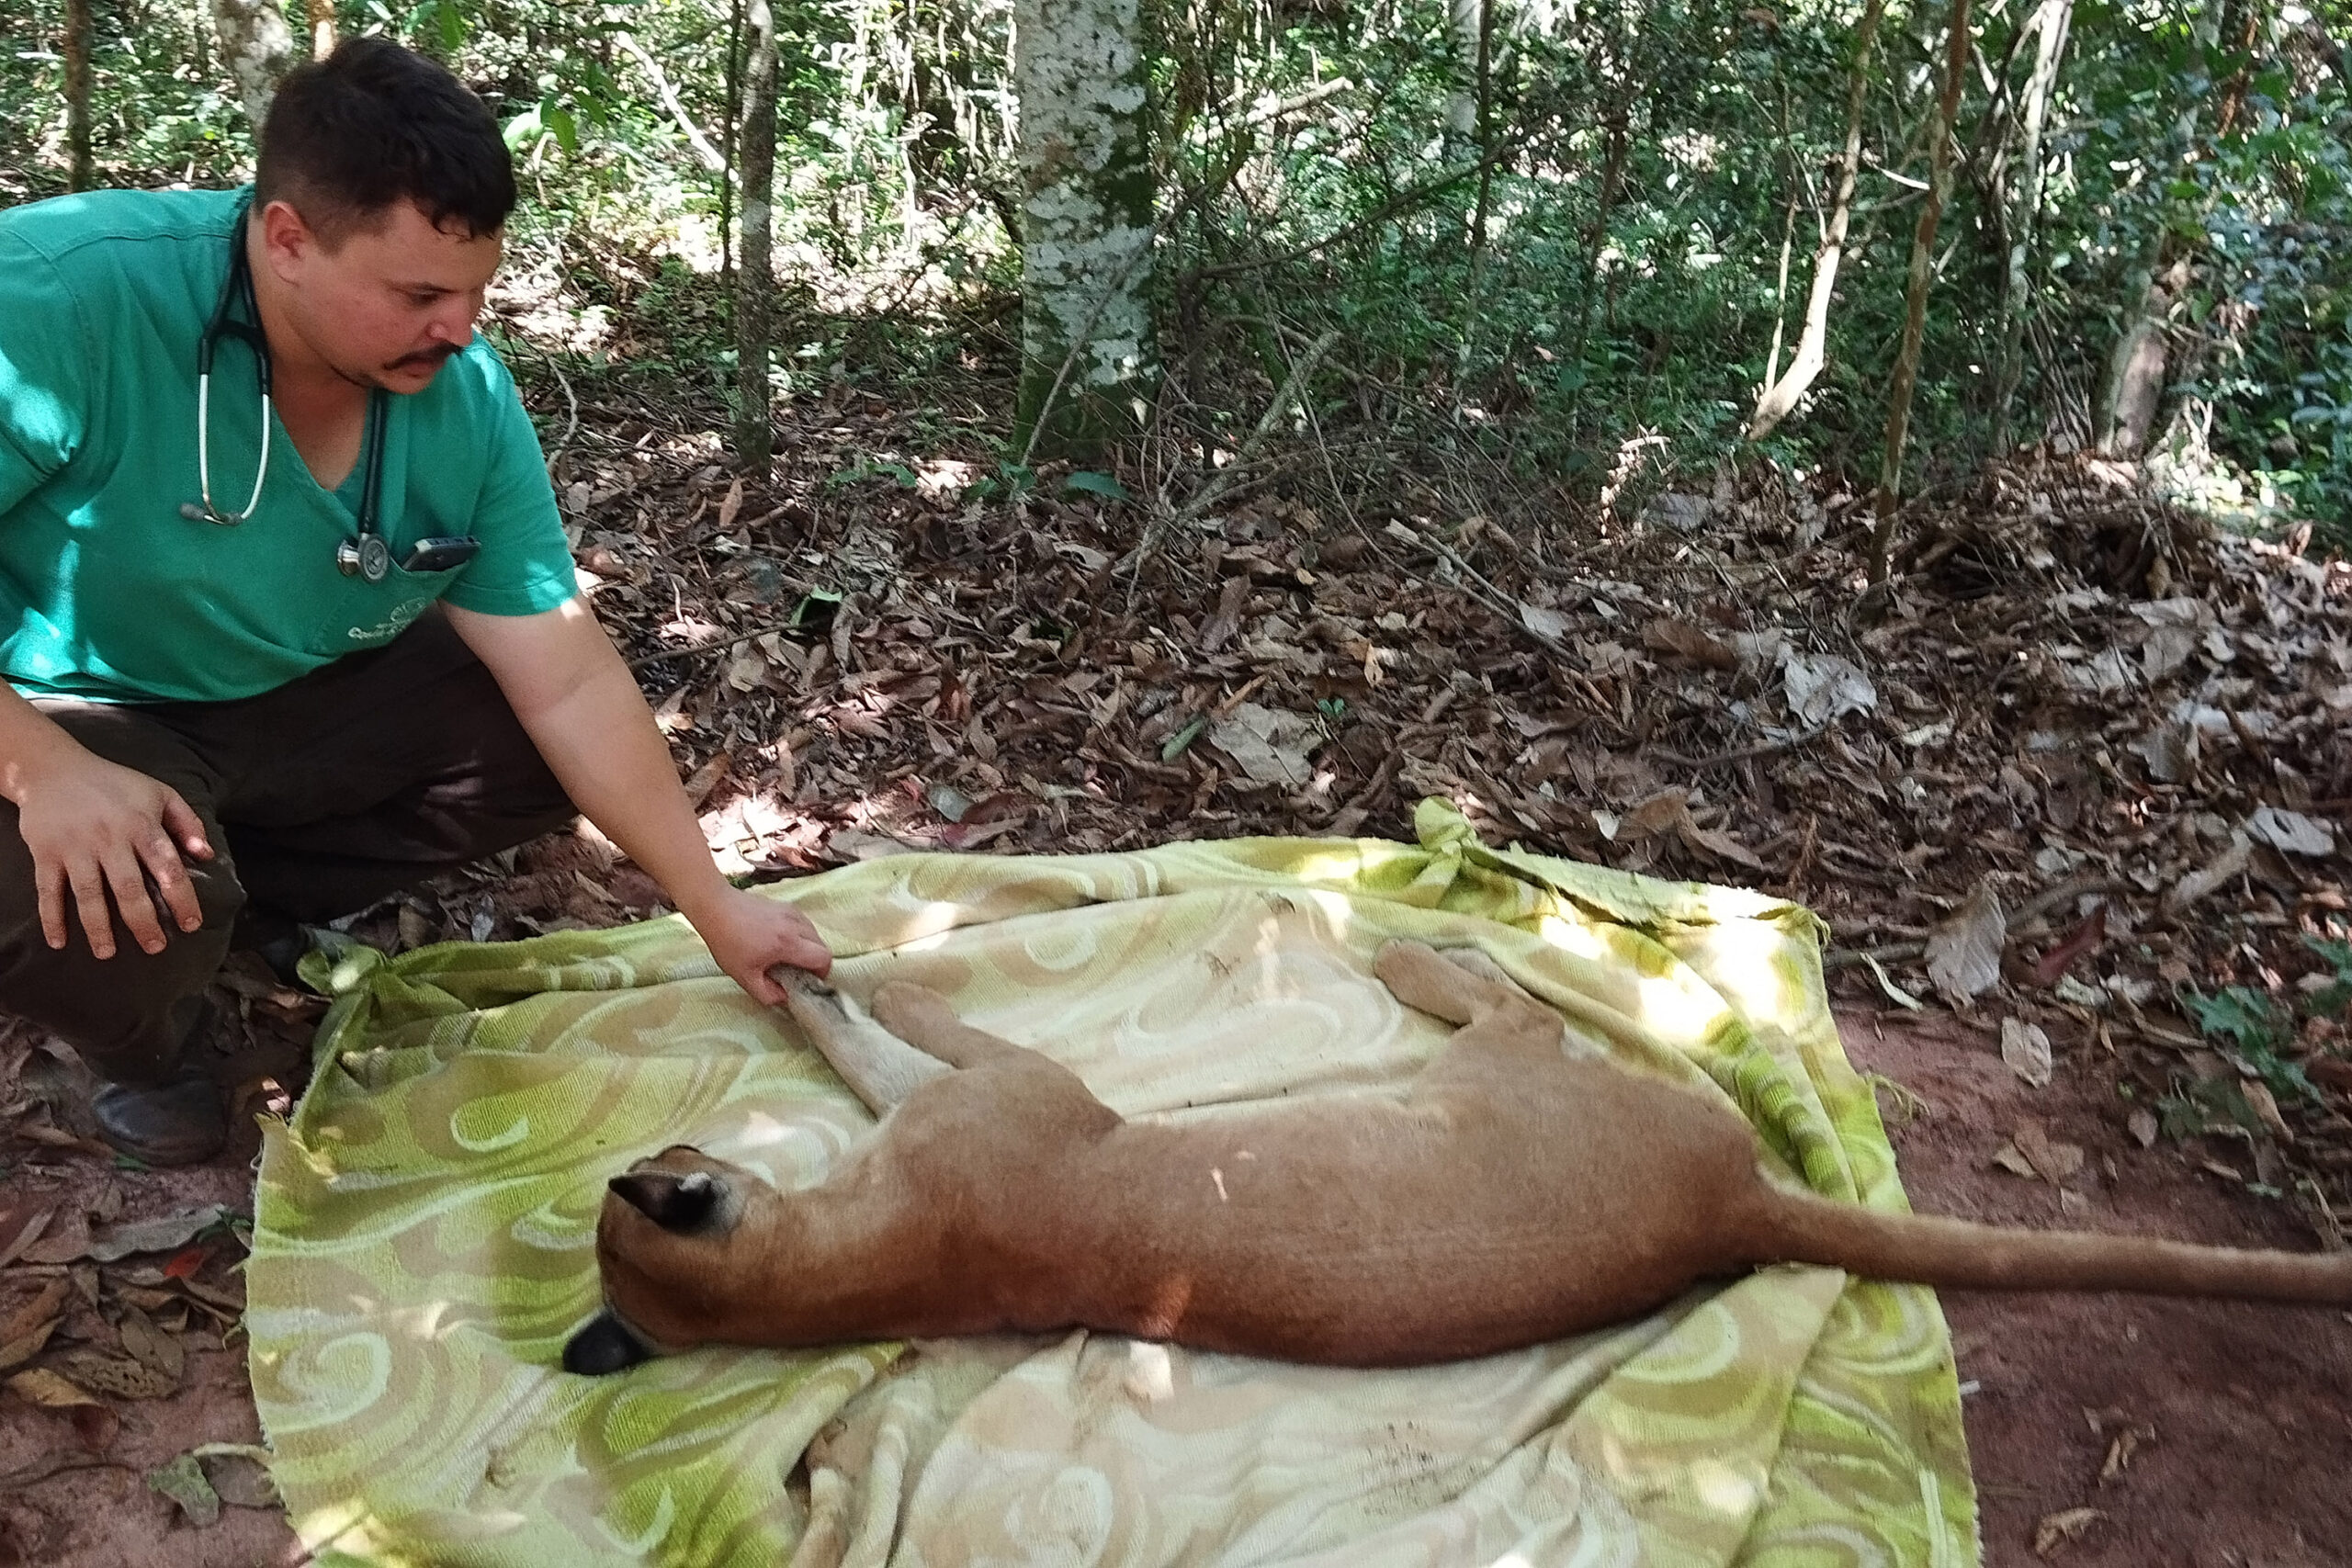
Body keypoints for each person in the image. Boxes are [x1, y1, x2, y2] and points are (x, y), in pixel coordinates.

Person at [0, 39, 829, 1168]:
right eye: (421, 294)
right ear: (288, 237)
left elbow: (569, 673)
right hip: (69, 701)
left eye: (477, 290)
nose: (462, 328)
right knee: (90, 883)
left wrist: (711, 905)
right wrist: (43, 766)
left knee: (534, 744)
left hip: (290, 687)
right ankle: (150, 1041)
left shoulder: (460, 395)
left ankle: (244, 899)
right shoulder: (62, 299)